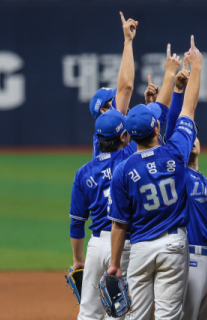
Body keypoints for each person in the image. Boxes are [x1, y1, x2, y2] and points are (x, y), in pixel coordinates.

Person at [107, 36, 202, 320]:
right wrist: (195, 67)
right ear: (157, 127)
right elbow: (189, 109)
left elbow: (120, 224)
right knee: (168, 315)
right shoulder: (175, 153)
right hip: (173, 244)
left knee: (136, 316)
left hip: (141, 248)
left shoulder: (123, 168)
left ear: (128, 135)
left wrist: (114, 263)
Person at [165, 59, 207, 320]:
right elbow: (173, 130)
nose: (192, 139)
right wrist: (178, 92)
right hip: (191, 259)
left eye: (195, 135)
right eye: (190, 136)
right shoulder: (177, 175)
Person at [69, 109, 135, 320]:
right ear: (123, 136)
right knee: (118, 313)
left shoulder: (83, 172)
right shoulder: (129, 160)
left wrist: (79, 260)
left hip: (95, 248)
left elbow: (77, 223)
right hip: (123, 245)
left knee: (88, 313)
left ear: (97, 139)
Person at [88, 12, 138, 159]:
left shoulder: (105, 138)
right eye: (114, 98)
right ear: (104, 110)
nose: (119, 97)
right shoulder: (113, 133)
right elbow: (127, 86)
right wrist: (128, 41)